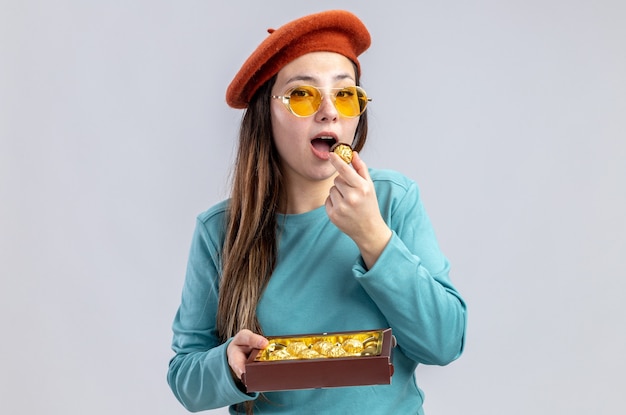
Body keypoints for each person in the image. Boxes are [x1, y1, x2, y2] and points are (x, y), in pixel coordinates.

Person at [167, 9, 466, 415]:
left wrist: (373, 237)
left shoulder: (393, 199)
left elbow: (445, 343)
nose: (329, 111)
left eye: (345, 94)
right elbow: (186, 380)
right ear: (265, 114)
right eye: (303, 95)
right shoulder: (220, 230)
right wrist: (228, 367)